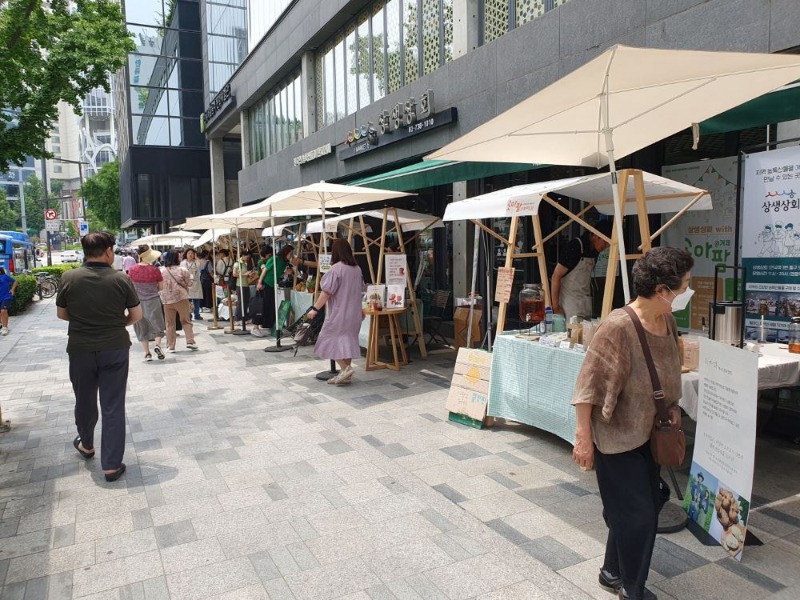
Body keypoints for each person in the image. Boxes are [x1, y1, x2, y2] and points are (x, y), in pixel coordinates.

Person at [572, 247, 693, 600]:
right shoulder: (618, 326)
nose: (688, 291)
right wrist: (583, 438)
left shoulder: (667, 321)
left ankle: (611, 571)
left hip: (651, 433)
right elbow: (587, 386)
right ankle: (632, 588)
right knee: (639, 515)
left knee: (647, 502)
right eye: (684, 285)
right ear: (662, 290)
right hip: (616, 436)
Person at [55, 232, 142, 482]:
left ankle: (86, 444)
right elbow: (136, 315)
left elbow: (62, 314)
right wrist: (116, 324)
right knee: (112, 405)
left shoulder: (69, 277)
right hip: (114, 347)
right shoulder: (120, 278)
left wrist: (84, 321)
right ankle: (112, 465)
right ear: (108, 251)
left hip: (80, 348)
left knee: (84, 399)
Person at [308, 239, 364, 385]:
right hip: (355, 314)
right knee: (348, 342)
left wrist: (315, 309)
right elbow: (359, 291)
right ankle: (346, 376)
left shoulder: (335, 269)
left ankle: (345, 369)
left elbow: (326, 292)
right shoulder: (357, 269)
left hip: (339, 313)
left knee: (328, 338)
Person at [551, 220, 614, 320]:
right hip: (569, 304)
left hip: (585, 301)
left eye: (608, 244)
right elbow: (556, 275)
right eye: (605, 242)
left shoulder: (594, 251)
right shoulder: (575, 246)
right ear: (595, 235)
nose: (606, 246)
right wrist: (555, 307)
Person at [128, 246, 166, 361]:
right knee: (158, 325)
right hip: (153, 301)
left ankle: (147, 353)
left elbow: (130, 287)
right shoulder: (155, 270)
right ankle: (157, 345)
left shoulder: (132, 270)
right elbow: (161, 287)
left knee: (141, 327)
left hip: (137, 302)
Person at [160, 251, 198, 352]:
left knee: (169, 323)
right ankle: (190, 341)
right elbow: (190, 283)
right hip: (181, 298)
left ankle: (171, 346)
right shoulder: (182, 270)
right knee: (185, 320)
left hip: (167, 300)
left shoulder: (161, 271)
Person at [257, 244, 293, 337]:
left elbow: (278, 273)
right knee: (266, 305)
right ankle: (264, 326)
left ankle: (270, 326)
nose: (291, 255)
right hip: (266, 284)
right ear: (286, 252)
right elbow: (265, 270)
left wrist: (286, 273)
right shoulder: (275, 258)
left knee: (271, 305)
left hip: (273, 285)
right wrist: (259, 282)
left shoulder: (284, 262)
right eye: (290, 253)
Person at [250, 245, 273, 337]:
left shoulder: (267, 261)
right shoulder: (261, 262)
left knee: (267, 306)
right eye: (270, 255)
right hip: (262, 285)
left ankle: (265, 326)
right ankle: (255, 327)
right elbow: (264, 271)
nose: (271, 256)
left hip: (264, 285)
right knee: (260, 306)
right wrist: (260, 282)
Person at [181, 247, 204, 320]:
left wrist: (197, 258)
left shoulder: (196, 262)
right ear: (186, 254)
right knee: (187, 300)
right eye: (189, 253)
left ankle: (197, 314)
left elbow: (202, 265)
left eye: (192, 253)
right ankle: (189, 314)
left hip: (195, 283)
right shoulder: (183, 262)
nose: (190, 254)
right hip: (186, 283)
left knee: (196, 300)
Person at [0, 266, 18, 336]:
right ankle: (1, 325)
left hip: (6, 297)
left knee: (3, 311)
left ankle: (5, 327)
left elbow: (15, 281)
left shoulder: (4, 277)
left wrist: (12, 289)